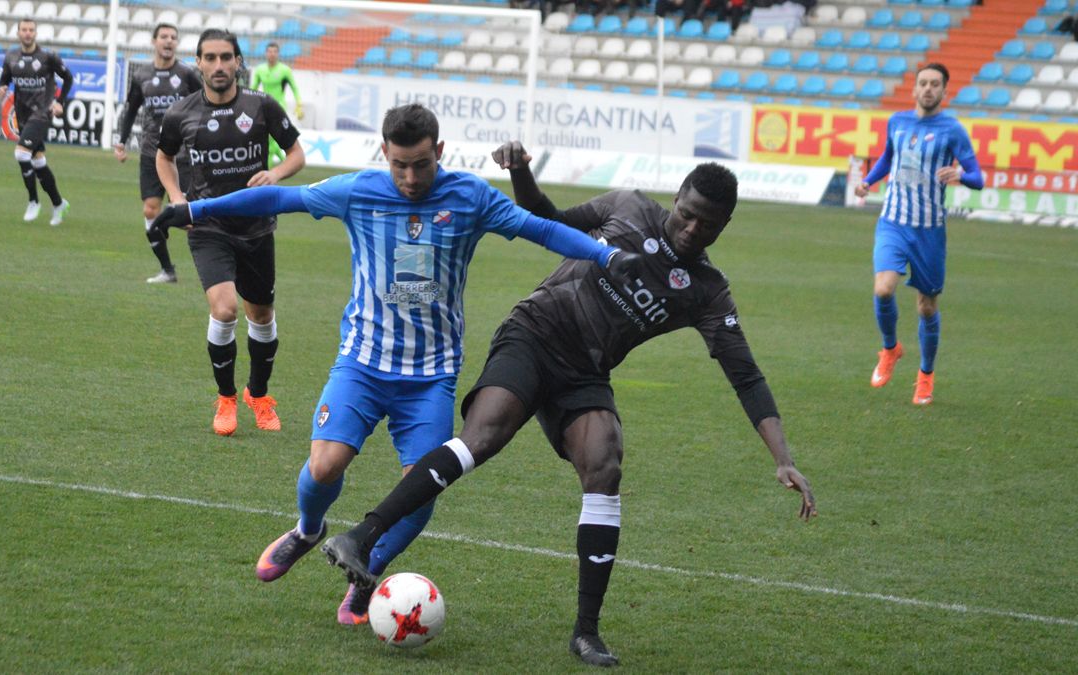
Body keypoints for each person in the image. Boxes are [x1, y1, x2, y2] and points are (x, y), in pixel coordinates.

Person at [319, 144, 817, 667]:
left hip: (584, 373)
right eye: (687, 214)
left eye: (708, 225)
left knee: (605, 462)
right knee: (484, 435)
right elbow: (549, 218)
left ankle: (586, 631)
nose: (692, 229)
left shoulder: (708, 291)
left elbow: (746, 375)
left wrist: (781, 457)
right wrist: (522, 172)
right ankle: (361, 536)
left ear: (725, 225)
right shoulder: (627, 206)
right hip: (533, 334)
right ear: (677, 198)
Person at [150, 103, 640, 627]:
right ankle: (307, 530)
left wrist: (605, 256)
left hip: (430, 375)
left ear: (441, 152)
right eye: (400, 165)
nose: (410, 177)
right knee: (324, 466)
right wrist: (197, 210)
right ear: (384, 153)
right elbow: (278, 197)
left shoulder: (470, 197)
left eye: (422, 164)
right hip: (362, 363)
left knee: (421, 487)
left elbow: (538, 229)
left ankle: (368, 565)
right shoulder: (360, 190)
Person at [155, 29, 306, 435]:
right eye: (210, 58)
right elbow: (163, 157)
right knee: (224, 309)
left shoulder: (262, 106)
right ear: (198, 62)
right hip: (208, 227)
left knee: (261, 315)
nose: (219, 66)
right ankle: (226, 399)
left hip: (256, 228)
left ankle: (258, 394)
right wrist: (177, 198)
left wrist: (274, 173)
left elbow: (297, 154)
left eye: (226, 57)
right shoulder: (180, 113)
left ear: (238, 61)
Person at [853, 63, 982, 405]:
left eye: (934, 84)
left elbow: (978, 177)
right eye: (923, 83)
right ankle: (890, 348)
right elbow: (886, 159)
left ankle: (925, 376)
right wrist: (868, 181)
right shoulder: (897, 122)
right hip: (893, 222)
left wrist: (960, 174)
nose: (928, 89)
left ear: (944, 91)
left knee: (926, 307)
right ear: (914, 89)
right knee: (883, 288)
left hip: (929, 231)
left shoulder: (952, 130)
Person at [114, 23, 203, 284]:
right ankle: (167, 270)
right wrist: (121, 141)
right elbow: (131, 110)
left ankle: (216, 261)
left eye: (174, 37)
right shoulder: (141, 76)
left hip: (184, 156)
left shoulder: (187, 74)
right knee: (150, 209)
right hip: (152, 152)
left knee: (189, 218)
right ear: (154, 41)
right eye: (164, 37)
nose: (169, 41)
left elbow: (205, 104)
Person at [0, 18, 73, 226]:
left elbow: (69, 78)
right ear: (18, 32)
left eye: (31, 30)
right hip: (22, 114)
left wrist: (59, 102)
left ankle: (33, 201)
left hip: (42, 112)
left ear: (35, 33)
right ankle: (58, 203)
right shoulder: (11, 56)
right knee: (38, 161)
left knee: (21, 153)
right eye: (24, 29)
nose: (28, 33)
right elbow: (4, 79)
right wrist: (1, 88)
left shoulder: (48, 56)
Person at [249, 42, 302, 167]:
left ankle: (268, 172)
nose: (272, 54)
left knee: (270, 140)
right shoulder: (260, 70)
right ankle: (286, 160)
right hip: (264, 107)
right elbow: (253, 89)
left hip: (279, 107)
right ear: (266, 53)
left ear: (278, 54)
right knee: (269, 139)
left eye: (274, 52)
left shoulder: (284, 70)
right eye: (269, 51)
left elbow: (295, 88)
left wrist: (298, 104)